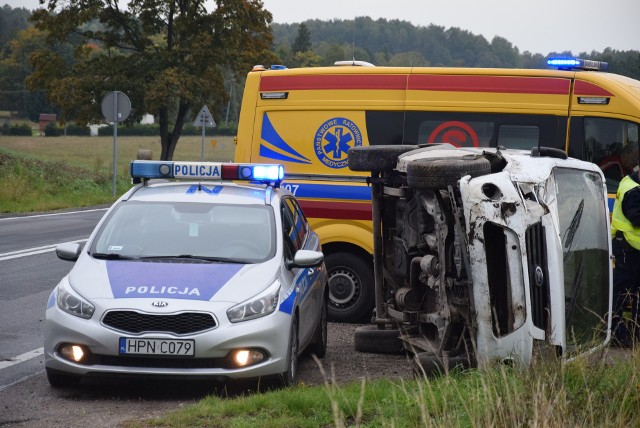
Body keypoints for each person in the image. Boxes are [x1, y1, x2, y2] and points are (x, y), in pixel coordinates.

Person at [610, 141, 640, 348]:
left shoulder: (631, 183)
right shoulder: (633, 190)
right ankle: (615, 334)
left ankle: (634, 333)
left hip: (633, 250)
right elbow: (636, 218)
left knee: (634, 295)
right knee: (622, 295)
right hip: (628, 251)